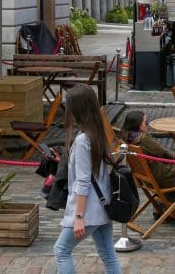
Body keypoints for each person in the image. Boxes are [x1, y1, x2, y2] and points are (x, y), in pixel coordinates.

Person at [54, 84, 121, 274]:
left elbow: (83, 181)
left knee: (61, 250)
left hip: (89, 209)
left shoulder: (83, 140)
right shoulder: (97, 134)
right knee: (108, 255)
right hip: (102, 205)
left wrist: (78, 218)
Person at [120, 110, 175, 222]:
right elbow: (163, 152)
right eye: (145, 122)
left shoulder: (128, 140)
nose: (148, 124)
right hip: (165, 178)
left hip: (149, 180)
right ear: (137, 125)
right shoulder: (143, 139)